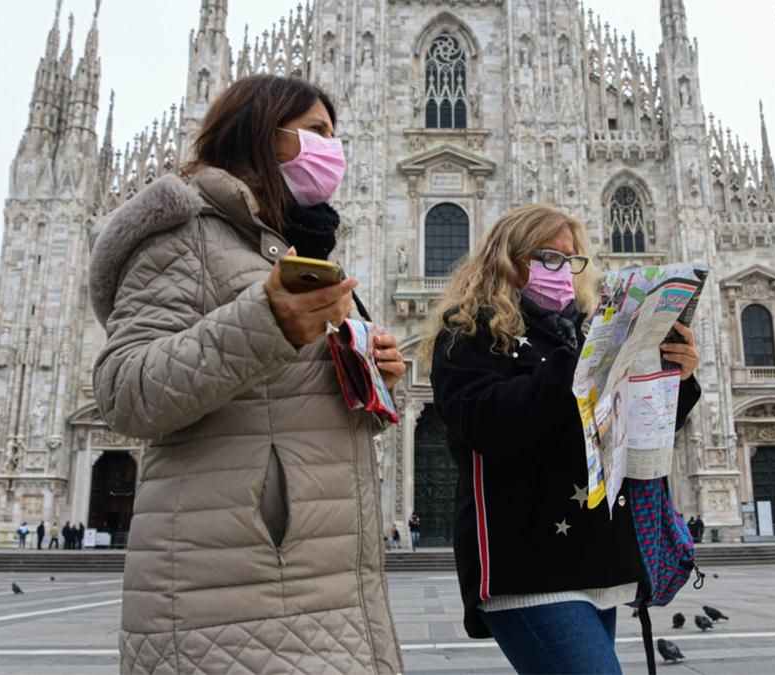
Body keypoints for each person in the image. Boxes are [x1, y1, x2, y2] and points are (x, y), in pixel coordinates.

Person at [90, 73, 405, 673]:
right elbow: (123, 391)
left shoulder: (297, 247)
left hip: (329, 579)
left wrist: (373, 376)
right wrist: (268, 323)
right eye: (316, 133)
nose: (331, 149)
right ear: (264, 135)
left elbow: (283, 401)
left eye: (335, 136)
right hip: (230, 588)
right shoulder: (185, 234)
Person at [423, 204, 701, 674]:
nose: (563, 271)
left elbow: (622, 433)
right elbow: (488, 423)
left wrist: (674, 377)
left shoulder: (579, 331)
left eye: (571, 260)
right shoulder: (466, 334)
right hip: (527, 564)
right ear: (509, 260)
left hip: (592, 558)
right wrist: (587, 360)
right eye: (548, 257)